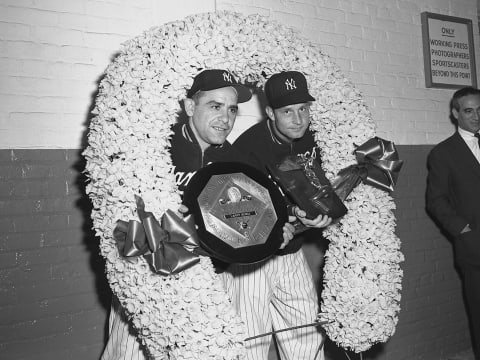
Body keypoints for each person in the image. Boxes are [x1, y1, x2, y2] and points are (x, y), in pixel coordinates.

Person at [100, 69, 296, 359]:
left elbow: (249, 220)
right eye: (215, 106)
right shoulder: (156, 148)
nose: (226, 118)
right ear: (191, 106)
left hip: (210, 283)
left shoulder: (236, 160)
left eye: (232, 109)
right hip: (151, 278)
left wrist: (275, 234)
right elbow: (124, 223)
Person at [224, 71, 332, 360]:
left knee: (307, 335)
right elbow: (240, 215)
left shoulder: (312, 139)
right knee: (251, 344)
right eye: (287, 111)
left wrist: (320, 214)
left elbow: (315, 192)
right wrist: (292, 213)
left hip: (292, 252)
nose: (298, 119)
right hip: (254, 260)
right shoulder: (246, 149)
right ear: (270, 112)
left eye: (303, 109)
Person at [426, 86, 480, 360]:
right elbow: (436, 200)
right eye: (469, 111)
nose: (476, 116)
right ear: (455, 113)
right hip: (474, 247)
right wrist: (462, 229)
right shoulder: (443, 153)